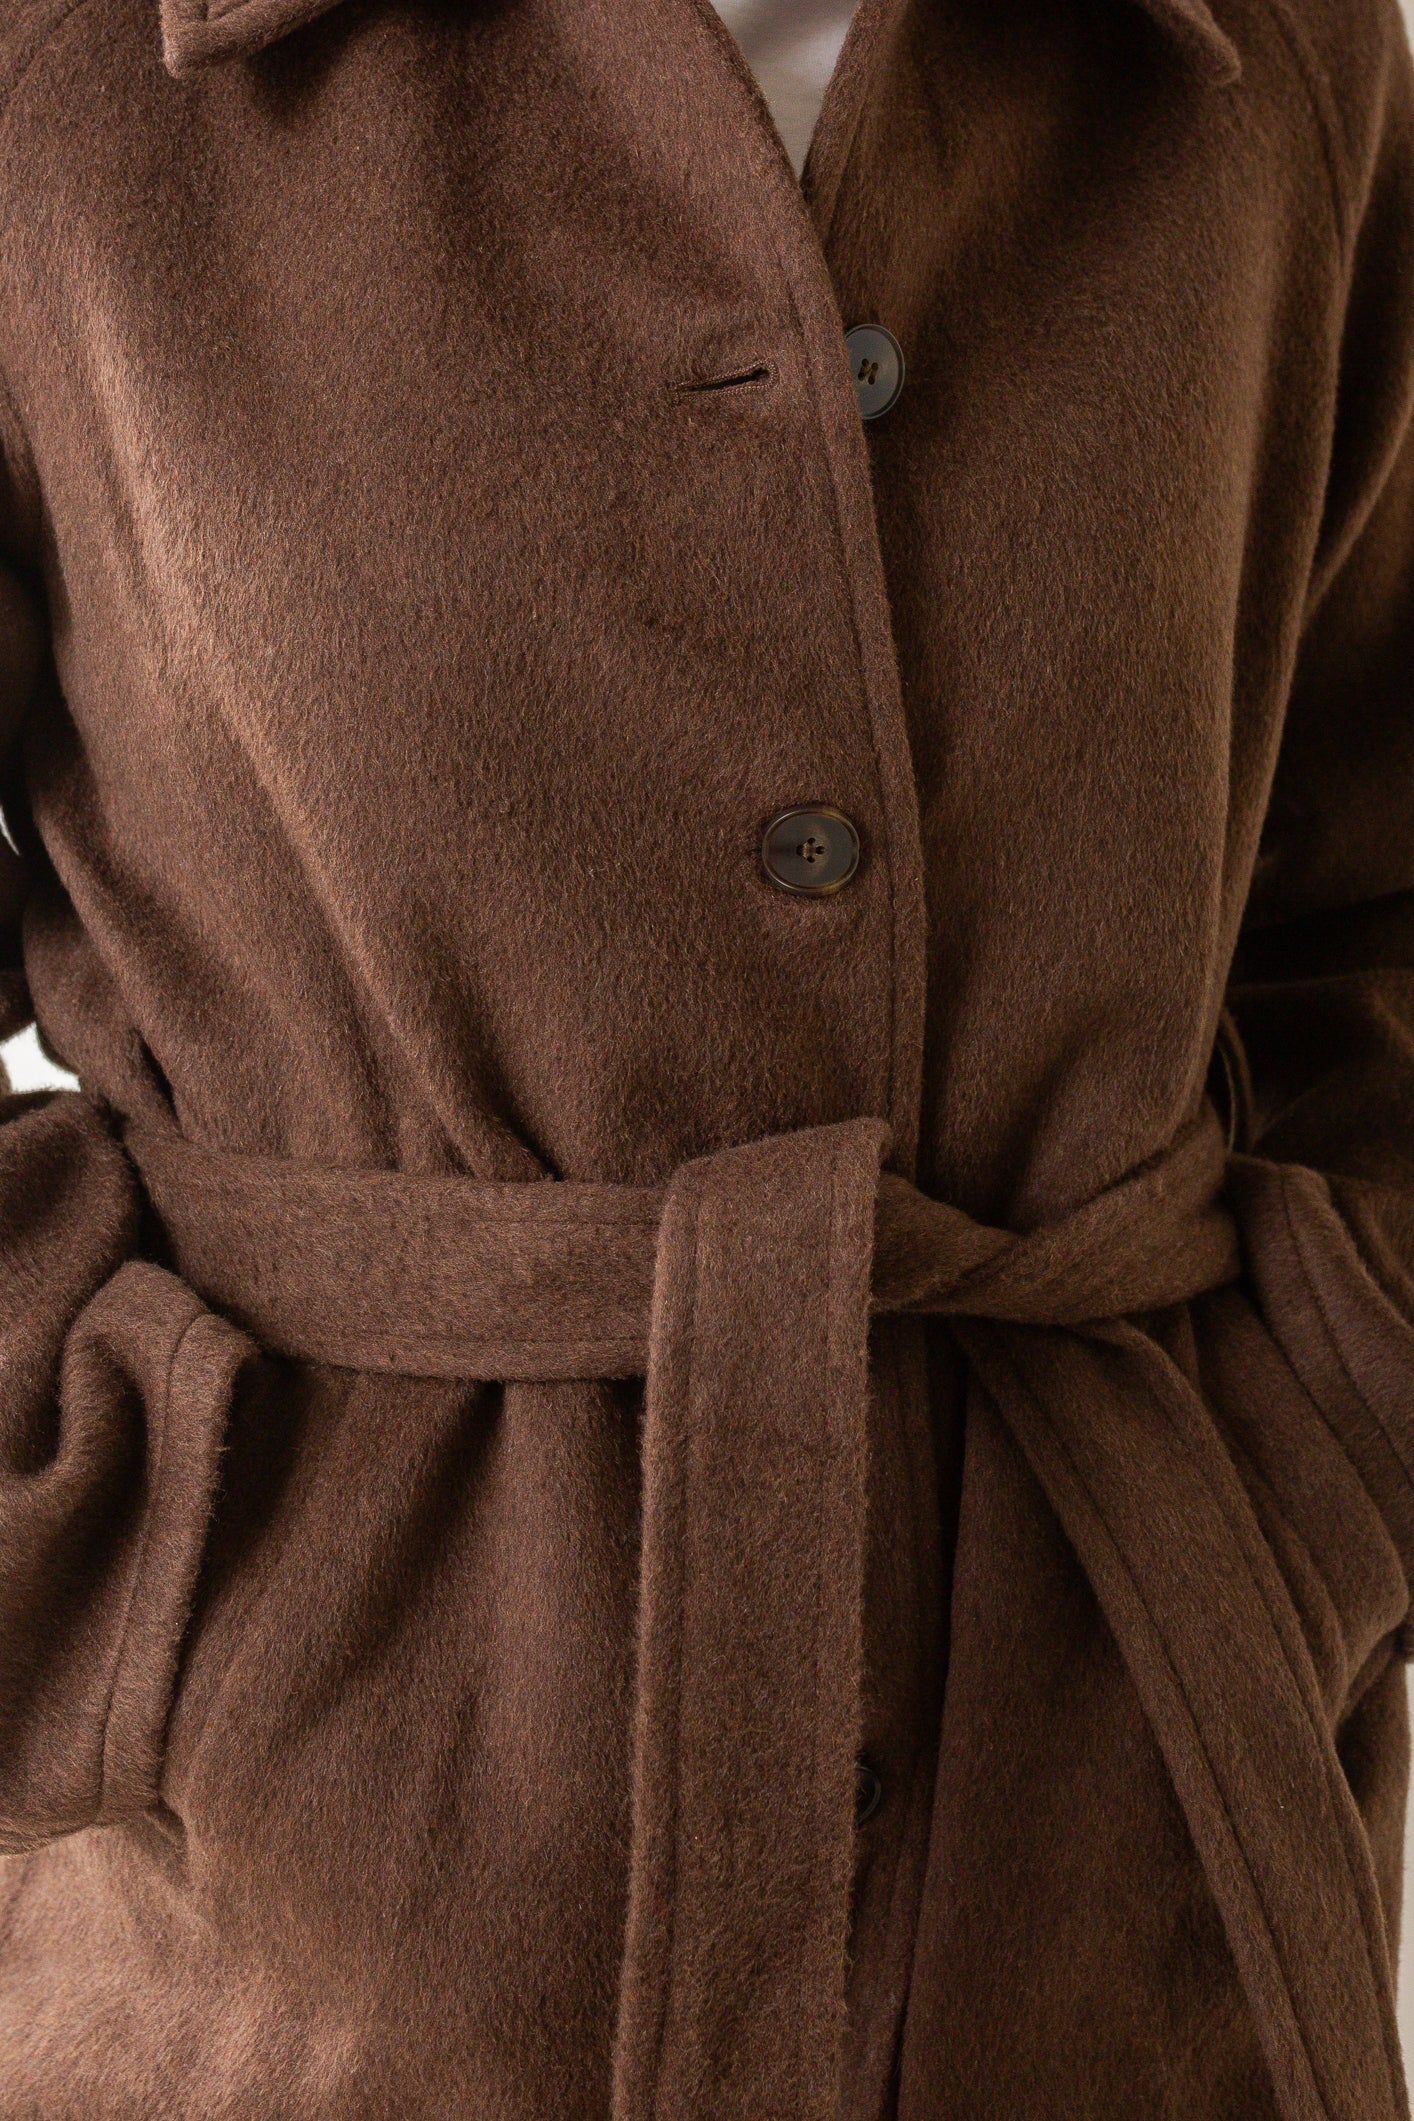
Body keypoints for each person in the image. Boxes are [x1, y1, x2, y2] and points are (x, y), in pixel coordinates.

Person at [0, 0, 1412, 2113]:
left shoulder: (1273, 60)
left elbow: (1362, 906)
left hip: (1118, 1904)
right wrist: (117, 1557)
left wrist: (1326, 1450)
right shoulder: (60, 75)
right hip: (303, 1963)